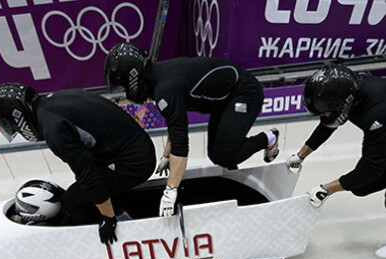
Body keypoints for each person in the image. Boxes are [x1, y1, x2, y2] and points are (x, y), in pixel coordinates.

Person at [105, 42, 280, 217]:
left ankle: (269, 138)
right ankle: (232, 175)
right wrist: (166, 155)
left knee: (225, 154)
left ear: (132, 78)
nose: (126, 93)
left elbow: (181, 142)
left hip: (244, 92)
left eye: (124, 86)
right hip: (224, 100)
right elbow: (175, 123)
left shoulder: (165, 88)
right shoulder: (159, 81)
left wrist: (170, 189)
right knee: (217, 154)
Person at [0, 84, 156, 245]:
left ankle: (94, 244)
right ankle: (122, 215)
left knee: (74, 200)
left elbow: (87, 175)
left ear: (17, 116)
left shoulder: (53, 129)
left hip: (135, 162)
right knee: (90, 192)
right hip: (135, 147)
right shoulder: (53, 101)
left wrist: (108, 219)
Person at [286, 64, 385, 258]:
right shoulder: (353, 93)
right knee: (360, 187)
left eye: (324, 111)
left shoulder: (376, 114)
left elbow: (372, 168)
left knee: (368, 178)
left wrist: (326, 189)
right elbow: (328, 124)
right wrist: (300, 155)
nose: (323, 115)